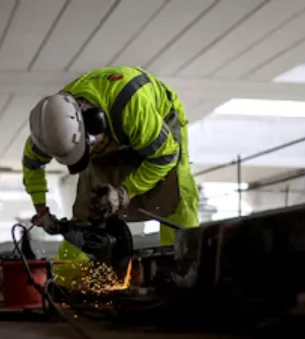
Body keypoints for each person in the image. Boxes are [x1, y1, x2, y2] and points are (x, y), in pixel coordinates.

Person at [21, 66, 199, 278]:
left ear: (95, 122)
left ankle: (182, 275)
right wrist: (42, 212)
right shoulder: (51, 129)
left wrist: (124, 192)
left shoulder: (134, 109)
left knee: (177, 199)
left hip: (159, 125)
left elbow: (165, 157)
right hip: (113, 128)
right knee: (87, 211)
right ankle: (67, 280)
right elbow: (32, 166)